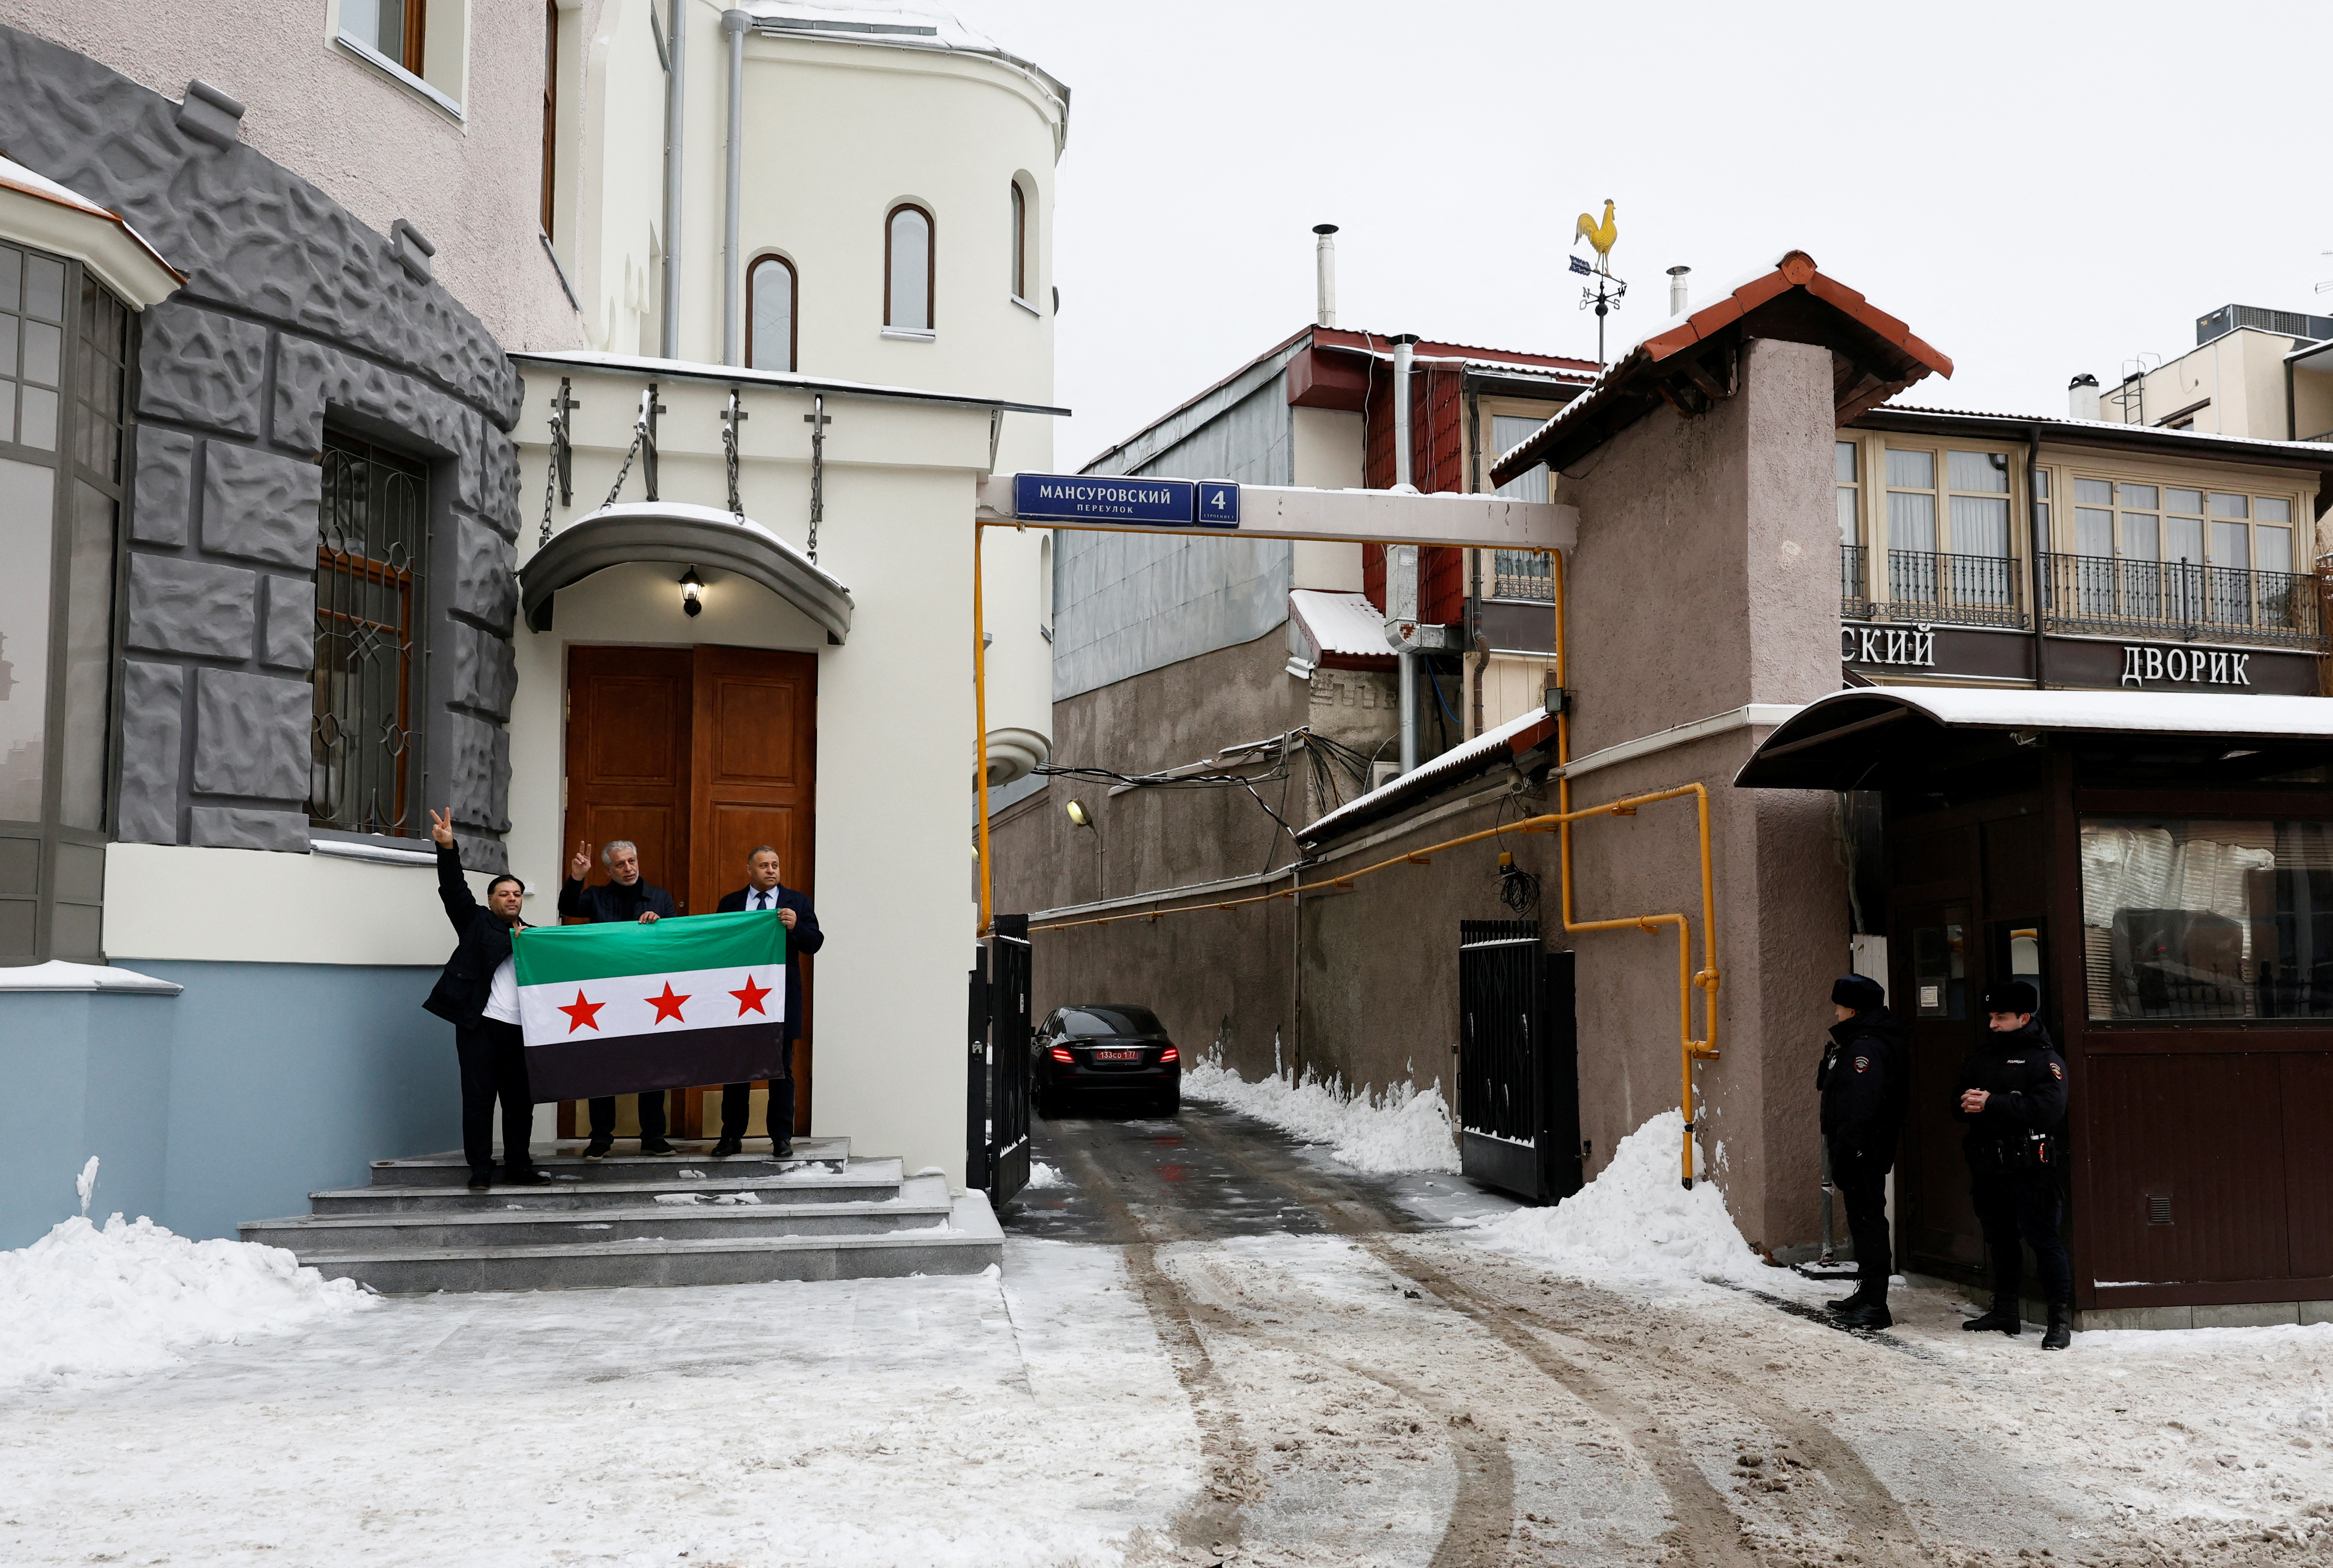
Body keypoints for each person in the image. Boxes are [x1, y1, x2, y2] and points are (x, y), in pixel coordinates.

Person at [421, 808, 549, 1192]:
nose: (512, 898)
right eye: (504, 894)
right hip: (481, 1027)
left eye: (517, 894)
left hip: (521, 1032)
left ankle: (519, 1165)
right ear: (491, 899)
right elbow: (453, 890)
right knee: (478, 1101)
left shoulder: (537, 937)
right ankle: (480, 1168)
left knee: (519, 1102)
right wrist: (447, 849)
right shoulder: (475, 921)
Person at [1953, 979, 2073, 1350]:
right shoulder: (1983, 1056)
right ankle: (2005, 1310)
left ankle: (2059, 1321)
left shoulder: (2044, 1059)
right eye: (1991, 1017)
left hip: (2030, 1166)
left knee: (2043, 1241)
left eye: (2001, 1018)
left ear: (2024, 1017)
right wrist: (1969, 1102)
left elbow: (2049, 1110)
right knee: (2000, 1239)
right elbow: (1957, 1101)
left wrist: (1994, 1103)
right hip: (1990, 1165)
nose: (1993, 1025)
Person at [560, 837, 680, 1158]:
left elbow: (676, 945)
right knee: (602, 1067)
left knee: (653, 1067)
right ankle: (601, 1137)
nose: (628, 869)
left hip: (650, 995)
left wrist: (661, 926)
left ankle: (654, 1136)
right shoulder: (596, 896)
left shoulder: (660, 897)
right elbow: (568, 908)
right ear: (608, 870)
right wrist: (576, 877)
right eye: (620, 864)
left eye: (632, 862)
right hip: (607, 994)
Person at [711, 845, 824, 1159]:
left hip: (779, 1000)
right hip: (739, 999)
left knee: (781, 1070)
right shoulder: (732, 904)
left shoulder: (797, 902)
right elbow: (718, 945)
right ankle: (731, 1137)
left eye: (775, 865)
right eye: (764, 866)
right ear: (750, 870)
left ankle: (781, 1139)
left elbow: (814, 943)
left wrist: (796, 926)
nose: (771, 870)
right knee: (737, 1071)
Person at [1818, 973, 1910, 1329]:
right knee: (1862, 1218)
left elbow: (1860, 1105)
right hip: (1863, 1144)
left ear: (1853, 1010)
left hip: (1863, 1147)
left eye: (1840, 1008)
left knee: (1869, 1219)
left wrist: (1850, 1150)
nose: (1836, 1014)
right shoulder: (1864, 1040)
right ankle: (1867, 1291)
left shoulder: (1867, 1047)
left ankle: (1876, 1305)